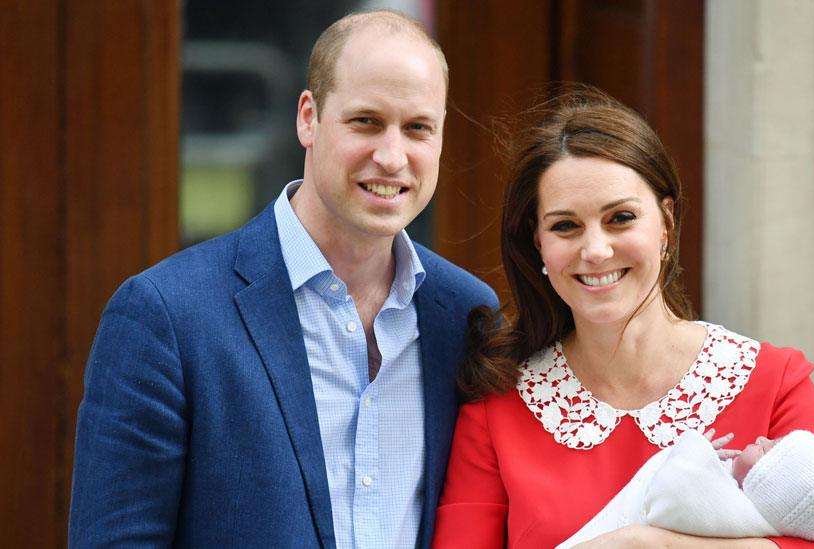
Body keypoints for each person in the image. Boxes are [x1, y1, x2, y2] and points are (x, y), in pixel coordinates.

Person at [68, 9, 497, 548]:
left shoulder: (465, 315)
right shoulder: (166, 316)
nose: (392, 157)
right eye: (365, 121)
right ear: (308, 118)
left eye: (417, 128)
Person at [431, 86, 814, 549]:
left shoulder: (776, 383)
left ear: (666, 224)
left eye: (621, 218)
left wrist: (644, 544)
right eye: (565, 226)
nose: (595, 250)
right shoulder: (497, 409)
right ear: (539, 244)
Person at [558, 430, 814, 547]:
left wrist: (696, 451)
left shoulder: (729, 514)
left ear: (768, 485)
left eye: (769, 450)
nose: (761, 439)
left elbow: (672, 492)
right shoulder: (740, 512)